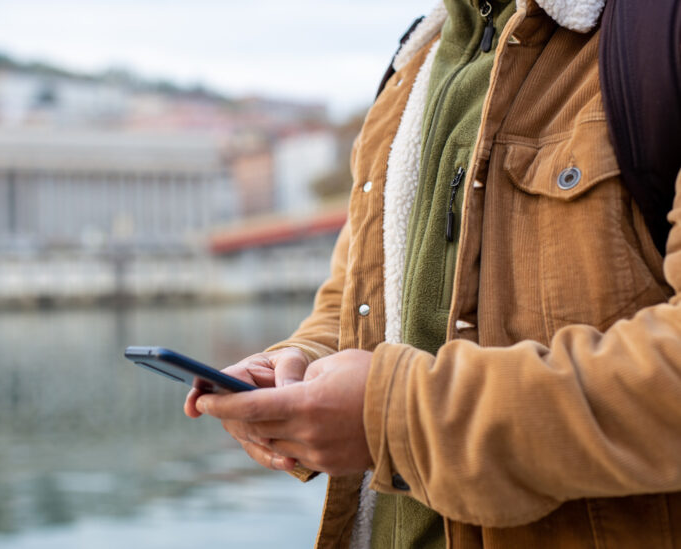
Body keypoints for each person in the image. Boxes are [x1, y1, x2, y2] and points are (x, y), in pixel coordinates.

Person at [185, 0, 681, 548]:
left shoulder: (659, 36)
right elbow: (353, 298)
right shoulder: (411, 66)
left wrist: (393, 418)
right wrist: (296, 367)